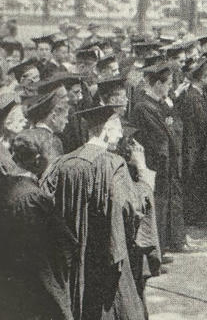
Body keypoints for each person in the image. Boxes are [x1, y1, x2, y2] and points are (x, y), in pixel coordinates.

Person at [40, 104, 152, 319]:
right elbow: (132, 209)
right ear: (105, 130)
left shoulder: (62, 162)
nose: (121, 135)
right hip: (107, 258)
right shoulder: (113, 164)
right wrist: (142, 171)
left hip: (74, 257)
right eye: (118, 129)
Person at [1, 128, 76, 320]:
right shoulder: (31, 198)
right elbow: (52, 253)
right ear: (37, 159)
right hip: (35, 295)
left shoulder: (8, 186)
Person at [131, 62, 188, 253]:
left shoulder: (159, 104)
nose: (171, 87)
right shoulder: (144, 107)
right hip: (155, 166)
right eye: (169, 83)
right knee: (156, 210)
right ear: (158, 84)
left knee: (163, 209)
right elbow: (163, 137)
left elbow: (176, 128)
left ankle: (163, 247)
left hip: (165, 165)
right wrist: (171, 125)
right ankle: (156, 253)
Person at [176, 59, 207, 223]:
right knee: (194, 180)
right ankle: (193, 216)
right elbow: (202, 122)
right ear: (202, 78)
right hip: (194, 145)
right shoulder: (194, 97)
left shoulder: (198, 94)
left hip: (197, 144)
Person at [24, 91, 68, 158]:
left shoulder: (27, 136)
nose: (67, 121)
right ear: (53, 117)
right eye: (65, 117)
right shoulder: (53, 141)